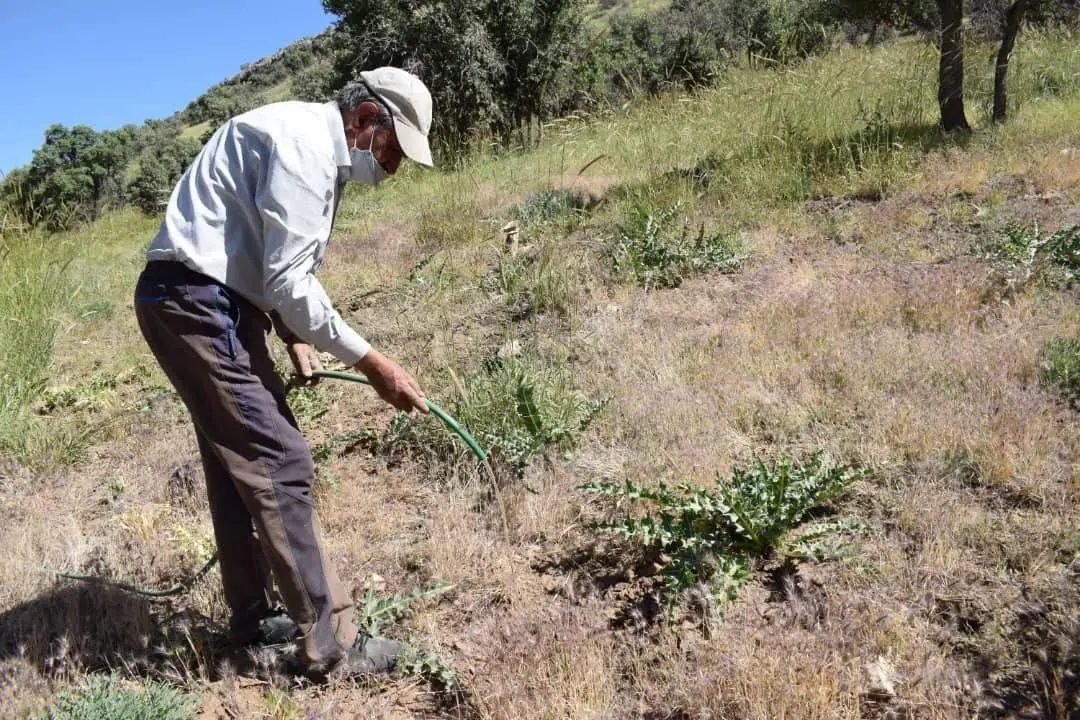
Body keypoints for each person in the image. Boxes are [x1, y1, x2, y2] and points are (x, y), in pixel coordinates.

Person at [133, 67, 433, 680]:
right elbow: (288, 280)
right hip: (199, 302)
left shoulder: (308, 140)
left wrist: (294, 336)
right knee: (279, 460)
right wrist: (374, 365)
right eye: (393, 151)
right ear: (367, 120)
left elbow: (274, 258)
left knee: (235, 460)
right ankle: (333, 642)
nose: (392, 170)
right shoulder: (302, 148)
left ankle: (253, 619)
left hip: (194, 301)